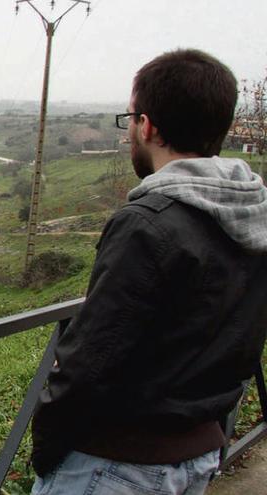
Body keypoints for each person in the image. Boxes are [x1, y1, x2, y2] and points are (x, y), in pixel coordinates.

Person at [30, 48, 267, 494]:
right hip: (196, 454)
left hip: (116, 465)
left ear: (147, 125)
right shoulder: (255, 213)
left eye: (131, 117)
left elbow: (88, 363)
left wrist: (46, 450)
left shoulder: (148, 223)